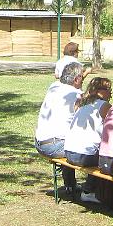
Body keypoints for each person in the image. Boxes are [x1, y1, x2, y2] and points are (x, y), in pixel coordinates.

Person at [34, 61, 85, 195]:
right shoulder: (77, 95)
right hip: (54, 145)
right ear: (76, 79)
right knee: (92, 148)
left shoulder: (54, 86)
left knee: (70, 138)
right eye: (82, 78)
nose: (83, 80)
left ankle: (70, 185)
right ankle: (91, 189)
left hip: (39, 142)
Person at [63, 76, 113, 204]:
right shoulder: (104, 105)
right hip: (84, 156)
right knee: (110, 156)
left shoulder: (82, 104)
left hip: (68, 152)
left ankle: (77, 185)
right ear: (98, 91)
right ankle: (89, 191)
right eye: (108, 89)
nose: (111, 92)